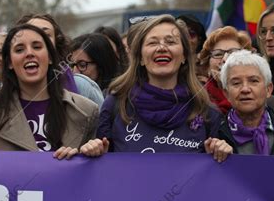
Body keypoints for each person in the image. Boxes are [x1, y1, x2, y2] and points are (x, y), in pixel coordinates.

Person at [79, 14, 226, 160]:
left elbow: (217, 178)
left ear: (184, 56)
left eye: (170, 42)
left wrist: (222, 154)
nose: (162, 48)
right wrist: (93, 153)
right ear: (141, 58)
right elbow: (102, 173)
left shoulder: (206, 111)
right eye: (152, 43)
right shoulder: (115, 105)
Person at [0, 24, 99, 162]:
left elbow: (94, 175)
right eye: (19, 49)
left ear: (50, 57)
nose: (29, 53)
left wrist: (95, 153)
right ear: (9, 63)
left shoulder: (86, 110)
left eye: (37, 47)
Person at [216, 50, 274, 158]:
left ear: (268, 89)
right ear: (226, 93)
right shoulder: (214, 135)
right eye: (236, 83)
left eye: (253, 81)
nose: (245, 89)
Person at [198, 26, 274, 121]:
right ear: (207, 64)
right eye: (218, 54)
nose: (225, 60)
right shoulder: (197, 102)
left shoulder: (273, 104)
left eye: (233, 53)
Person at [16, 13, 104, 106]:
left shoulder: (83, 87)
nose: (39, 39)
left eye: (46, 34)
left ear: (57, 43)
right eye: (32, 34)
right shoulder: (3, 96)